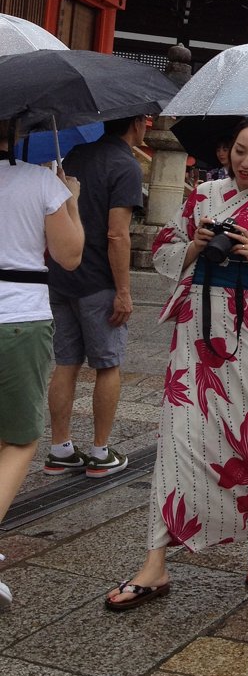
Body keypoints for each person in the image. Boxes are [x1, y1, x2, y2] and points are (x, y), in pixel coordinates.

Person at [105, 116, 248, 611]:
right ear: (226, 150)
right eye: (240, 151)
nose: (247, 163)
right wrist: (194, 243)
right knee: (177, 433)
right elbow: (167, 247)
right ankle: (155, 560)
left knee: (246, 429)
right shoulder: (205, 195)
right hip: (195, 321)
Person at [0, 137, 83, 607]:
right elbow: (70, 255)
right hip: (18, 320)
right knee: (21, 438)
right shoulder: (38, 182)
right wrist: (67, 196)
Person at [44, 115, 148, 478]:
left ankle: (60, 449)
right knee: (107, 365)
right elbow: (117, 235)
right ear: (136, 123)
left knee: (66, 363)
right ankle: (100, 451)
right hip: (98, 280)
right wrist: (123, 291)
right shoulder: (125, 166)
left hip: (61, 274)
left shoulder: (73, 155)